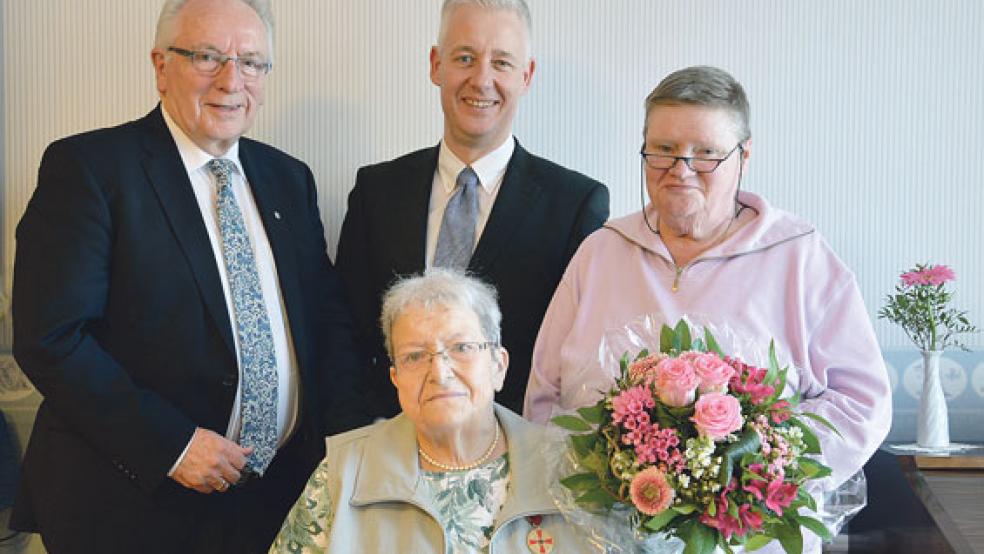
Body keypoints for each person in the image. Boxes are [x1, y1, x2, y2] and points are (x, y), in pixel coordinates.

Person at [10, 0, 366, 551]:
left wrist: (344, 450)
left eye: (251, 62)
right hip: (133, 503)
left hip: (275, 502)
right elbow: (51, 339)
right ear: (160, 65)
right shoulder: (92, 170)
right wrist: (172, 445)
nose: (232, 79)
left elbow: (325, 322)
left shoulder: (288, 179)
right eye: (206, 56)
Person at [524, 66, 892, 547]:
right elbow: (544, 400)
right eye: (664, 150)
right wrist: (601, 477)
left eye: (706, 153)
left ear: (745, 155)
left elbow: (864, 402)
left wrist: (754, 474)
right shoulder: (600, 252)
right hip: (603, 540)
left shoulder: (800, 256)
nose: (680, 169)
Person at [335, 0, 609, 418]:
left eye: (501, 62)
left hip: (514, 458)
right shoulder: (377, 191)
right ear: (436, 65)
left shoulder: (574, 205)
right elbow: (345, 333)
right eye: (465, 58)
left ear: (526, 76)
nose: (482, 80)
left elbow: (571, 361)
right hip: (389, 453)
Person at [271, 269, 597, 553]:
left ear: (499, 365)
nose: (439, 372)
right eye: (414, 356)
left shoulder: (570, 468)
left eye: (461, 348)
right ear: (395, 378)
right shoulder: (343, 472)